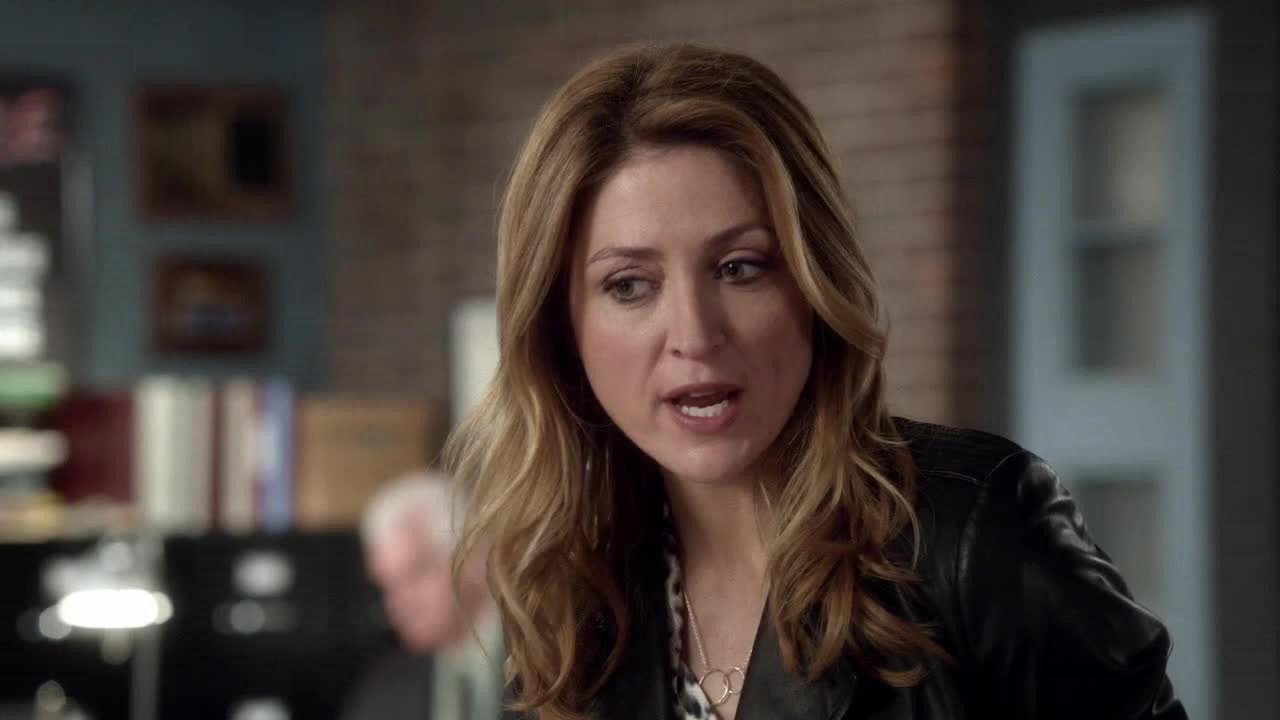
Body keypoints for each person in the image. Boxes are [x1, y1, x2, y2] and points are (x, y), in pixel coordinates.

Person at [445, 43, 1186, 720]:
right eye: (630, 285)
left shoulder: (976, 535)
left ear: (813, 281)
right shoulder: (569, 605)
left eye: (739, 268)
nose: (695, 335)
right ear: (561, 328)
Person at [341, 470, 503, 720]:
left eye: (415, 574)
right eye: (388, 586)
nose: (398, 605)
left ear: (472, 556)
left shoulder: (551, 661)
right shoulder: (382, 690)